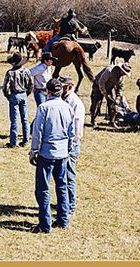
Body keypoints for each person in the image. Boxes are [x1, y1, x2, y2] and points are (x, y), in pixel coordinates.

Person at [29, 79, 75, 233]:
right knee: (62, 186)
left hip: (46, 153)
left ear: (47, 92)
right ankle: (63, 220)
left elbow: (38, 132)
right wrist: (68, 149)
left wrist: (33, 151)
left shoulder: (43, 108)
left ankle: (45, 224)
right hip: (62, 153)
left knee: (43, 188)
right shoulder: (68, 107)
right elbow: (71, 133)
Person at [59, 75, 85, 215]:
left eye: (63, 87)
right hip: (64, 143)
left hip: (71, 144)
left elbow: (76, 127)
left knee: (69, 176)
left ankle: (71, 207)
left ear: (69, 87)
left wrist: (71, 144)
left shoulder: (75, 103)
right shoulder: (65, 100)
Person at [2, 52, 33, 148]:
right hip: (23, 94)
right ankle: (25, 140)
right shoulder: (26, 71)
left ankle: (13, 142)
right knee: (25, 119)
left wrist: (8, 96)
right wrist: (26, 93)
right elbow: (30, 85)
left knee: (14, 120)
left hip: (14, 95)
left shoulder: (10, 73)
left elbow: (5, 88)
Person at [89, 62, 132, 128]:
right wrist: (104, 93)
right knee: (97, 103)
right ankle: (93, 120)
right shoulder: (109, 70)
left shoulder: (122, 77)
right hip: (98, 85)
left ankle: (112, 121)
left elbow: (120, 88)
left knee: (113, 104)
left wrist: (118, 97)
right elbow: (101, 82)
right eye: (124, 72)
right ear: (120, 69)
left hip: (110, 87)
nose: (124, 74)